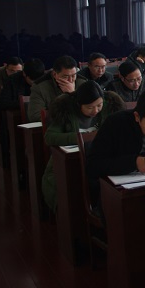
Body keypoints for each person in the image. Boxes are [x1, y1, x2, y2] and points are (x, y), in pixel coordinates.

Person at [41, 81, 125, 212]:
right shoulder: (65, 110)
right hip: (71, 162)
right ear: (79, 104)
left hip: (100, 160)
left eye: (99, 105)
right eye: (90, 107)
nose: (95, 110)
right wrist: (83, 138)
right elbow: (50, 137)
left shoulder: (111, 106)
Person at [28, 55, 86, 122]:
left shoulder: (82, 83)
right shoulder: (39, 87)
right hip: (54, 126)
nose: (70, 80)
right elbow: (35, 115)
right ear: (55, 74)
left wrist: (72, 94)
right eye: (65, 77)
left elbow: (89, 110)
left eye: (73, 76)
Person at [0, 56, 23, 130]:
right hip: (1, 107)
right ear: (6, 68)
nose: (15, 74)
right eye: (12, 71)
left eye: (18, 72)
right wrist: (4, 88)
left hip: (18, 105)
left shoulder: (25, 73)